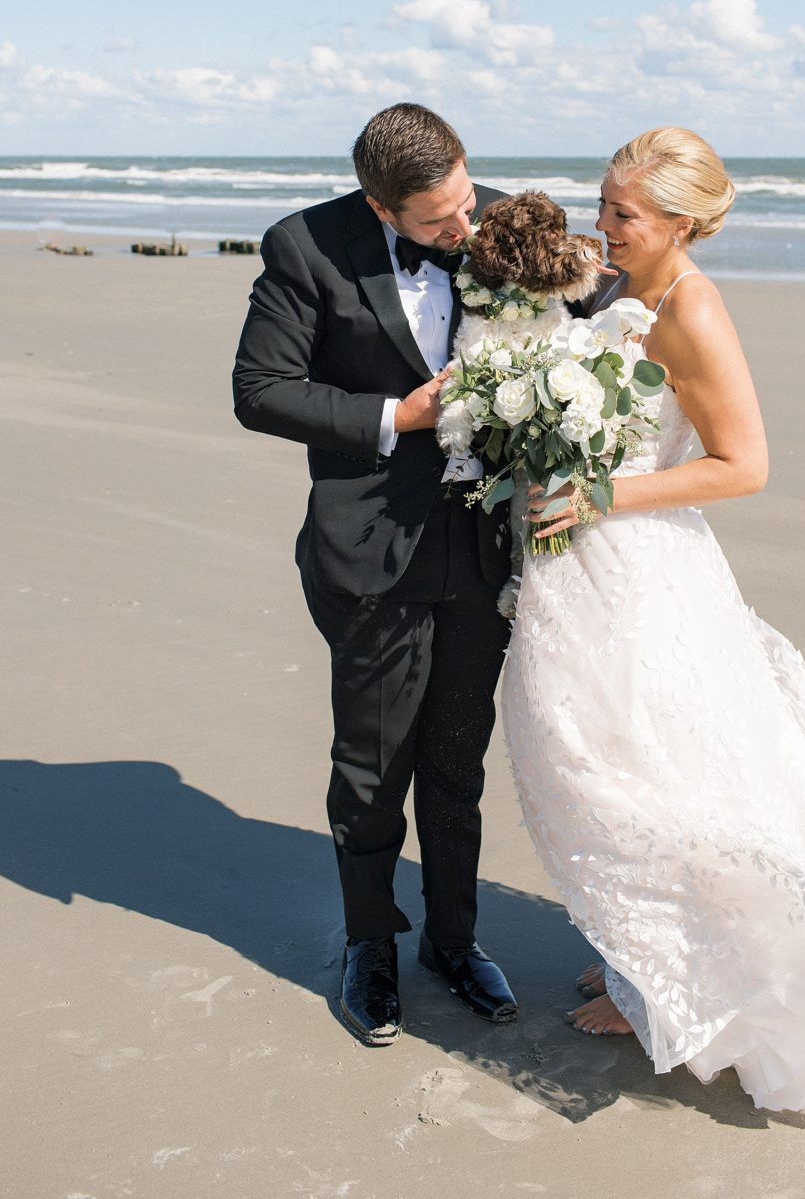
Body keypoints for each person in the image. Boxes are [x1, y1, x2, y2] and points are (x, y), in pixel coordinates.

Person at [503, 126, 805, 1112]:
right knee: (603, 768)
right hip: (576, 573)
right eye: (601, 201)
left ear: (678, 222)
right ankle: (645, 958)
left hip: (634, 572)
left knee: (650, 778)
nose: (601, 223)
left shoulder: (692, 313)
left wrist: (595, 499)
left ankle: (672, 990)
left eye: (620, 213)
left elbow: (742, 464)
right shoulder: (632, 290)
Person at [232, 103, 517, 1046]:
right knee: (371, 767)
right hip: (369, 551)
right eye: (439, 221)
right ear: (379, 205)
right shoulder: (303, 247)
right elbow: (261, 392)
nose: (464, 230)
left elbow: (593, 310)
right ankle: (369, 948)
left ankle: (454, 940)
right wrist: (400, 415)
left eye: (467, 201)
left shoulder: (499, 223)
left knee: (455, 759)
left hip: (481, 549)